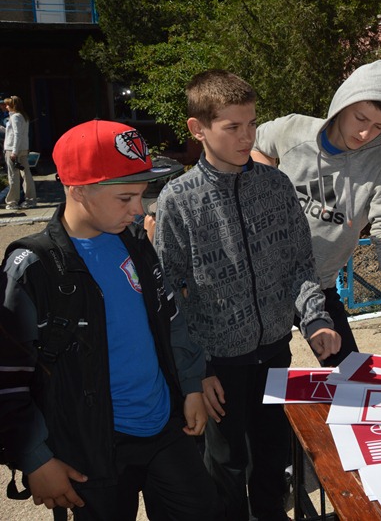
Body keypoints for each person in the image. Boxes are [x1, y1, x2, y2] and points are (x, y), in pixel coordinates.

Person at [0, 120, 220, 519]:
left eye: (142, 194)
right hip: (90, 448)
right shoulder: (32, 267)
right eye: (125, 198)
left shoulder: (133, 242)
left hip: (163, 427)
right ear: (79, 189)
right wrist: (34, 459)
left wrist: (190, 385)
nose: (140, 209)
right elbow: (8, 377)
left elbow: (170, 316)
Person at [154, 69, 341, 520]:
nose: (246, 136)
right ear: (197, 130)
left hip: (276, 353)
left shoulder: (277, 187)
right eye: (232, 127)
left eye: (252, 124)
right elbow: (168, 297)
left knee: (273, 460)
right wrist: (195, 371)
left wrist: (315, 318)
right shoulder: (177, 200)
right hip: (218, 368)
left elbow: (300, 265)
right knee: (226, 467)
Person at [251, 60, 381, 367]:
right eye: (360, 118)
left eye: (379, 127)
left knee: (351, 381)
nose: (365, 132)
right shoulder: (293, 130)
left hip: (319, 288)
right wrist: (269, 191)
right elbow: (253, 145)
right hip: (265, 284)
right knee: (264, 387)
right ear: (341, 105)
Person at [4, 96, 37, 210]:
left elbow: (17, 135)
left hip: (13, 149)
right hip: (22, 149)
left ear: (13, 105)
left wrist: (14, 151)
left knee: (13, 175)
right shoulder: (23, 116)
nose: (6, 106)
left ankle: (12, 201)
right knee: (26, 174)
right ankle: (31, 199)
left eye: (8, 104)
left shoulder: (15, 117)